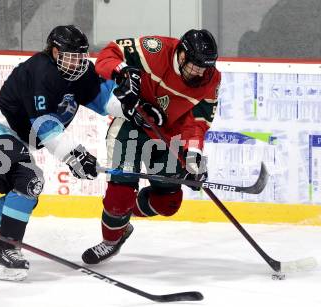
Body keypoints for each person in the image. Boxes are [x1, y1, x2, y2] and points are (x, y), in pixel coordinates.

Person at [0, 25, 127, 281]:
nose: (78, 62)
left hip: (10, 138)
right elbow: (44, 126)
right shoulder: (41, 70)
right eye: (71, 55)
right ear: (55, 52)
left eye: (81, 55)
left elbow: (102, 100)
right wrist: (76, 156)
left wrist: (132, 107)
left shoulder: (81, 73)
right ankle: (7, 253)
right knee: (28, 180)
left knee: (23, 193)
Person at [82, 29, 221, 264]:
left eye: (205, 67)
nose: (200, 72)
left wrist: (193, 155)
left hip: (166, 135)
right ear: (182, 55)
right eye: (195, 65)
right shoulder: (154, 49)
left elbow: (197, 122)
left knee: (168, 203)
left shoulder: (211, 79)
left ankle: (125, 216)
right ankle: (112, 239)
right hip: (130, 125)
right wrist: (123, 71)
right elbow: (108, 55)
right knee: (118, 198)